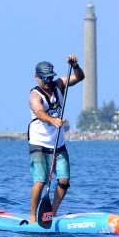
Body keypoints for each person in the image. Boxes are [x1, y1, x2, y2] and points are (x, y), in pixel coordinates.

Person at [28, 55, 85, 223]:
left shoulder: (59, 84)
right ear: (37, 77)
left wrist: (75, 66)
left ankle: (51, 213)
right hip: (39, 144)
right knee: (41, 181)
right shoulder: (34, 95)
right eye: (44, 78)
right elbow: (39, 112)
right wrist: (53, 120)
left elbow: (80, 77)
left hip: (58, 144)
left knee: (64, 181)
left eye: (50, 78)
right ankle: (32, 217)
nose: (48, 81)